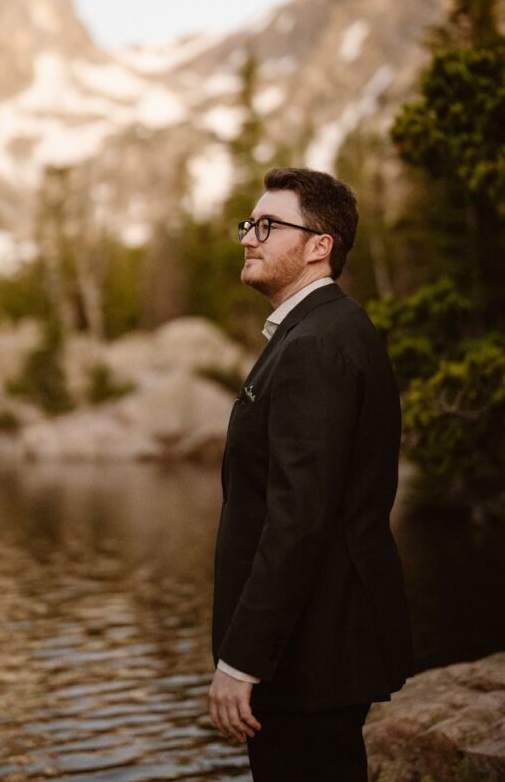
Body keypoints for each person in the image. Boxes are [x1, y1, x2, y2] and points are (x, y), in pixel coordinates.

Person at [209, 166, 413, 782]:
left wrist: (243, 662)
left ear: (319, 246)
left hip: (309, 653)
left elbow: (299, 518)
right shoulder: (318, 331)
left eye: (268, 226)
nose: (249, 237)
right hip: (314, 645)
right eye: (250, 224)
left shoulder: (317, 344)